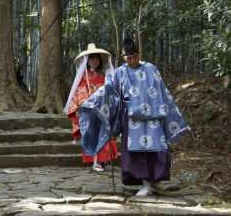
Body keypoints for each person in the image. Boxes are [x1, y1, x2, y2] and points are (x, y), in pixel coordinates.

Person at [78, 38, 190, 197]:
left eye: (134, 57)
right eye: (128, 58)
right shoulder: (119, 73)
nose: (131, 60)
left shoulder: (151, 69)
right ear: (123, 57)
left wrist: (167, 112)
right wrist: (92, 102)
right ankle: (145, 184)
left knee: (157, 151)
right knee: (137, 153)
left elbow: (163, 91)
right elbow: (109, 90)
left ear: (139, 54)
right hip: (132, 121)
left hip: (154, 118)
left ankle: (155, 182)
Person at [65, 43, 119, 172]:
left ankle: (103, 160)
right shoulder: (83, 77)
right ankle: (95, 162)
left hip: (102, 109)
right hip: (89, 110)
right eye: (91, 58)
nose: (94, 61)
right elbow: (79, 92)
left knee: (104, 134)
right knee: (93, 135)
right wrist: (88, 101)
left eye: (96, 58)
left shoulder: (103, 75)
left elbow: (109, 91)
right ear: (87, 60)